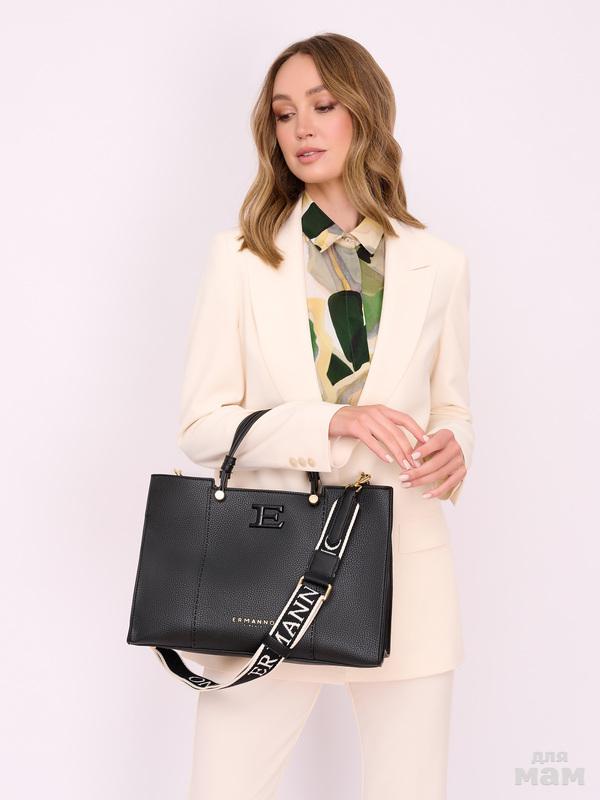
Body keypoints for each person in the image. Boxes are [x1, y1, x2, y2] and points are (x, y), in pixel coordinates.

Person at [178, 32, 474, 800]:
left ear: (364, 113)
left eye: (322, 105)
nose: (301, 128)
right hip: (268, 577)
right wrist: (328, 423)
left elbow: (452, 406)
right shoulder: (240, 259)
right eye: (283, 114)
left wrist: (455, 447)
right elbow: (202, 425)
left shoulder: (438, 265)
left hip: (406, 575)